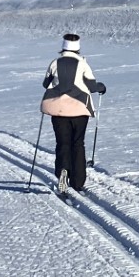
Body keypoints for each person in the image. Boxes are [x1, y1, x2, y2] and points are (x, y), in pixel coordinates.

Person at [40, 32, 105, 196]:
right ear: (78, 48)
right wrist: (101, 87)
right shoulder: (82, 64)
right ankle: (78, 181)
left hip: (58, 110)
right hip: (79, 110)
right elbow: (91, 86)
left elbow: (45, 83)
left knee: (62, 143)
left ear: (63, 47)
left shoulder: (54, 63)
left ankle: (63, 170)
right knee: (78, 143)